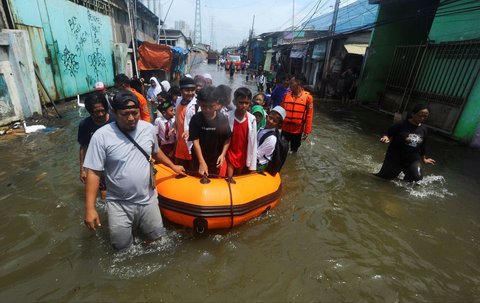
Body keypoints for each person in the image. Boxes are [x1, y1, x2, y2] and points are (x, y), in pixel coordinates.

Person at [83, 90, 185, 250]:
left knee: (157, 243)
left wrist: (173, 166)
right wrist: (90, 209)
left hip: (148, 199)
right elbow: (94, 173)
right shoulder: (101, 136)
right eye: (125, 114)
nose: (131, 118)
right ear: (115, 113)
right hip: (119, 204)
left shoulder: (148, 129)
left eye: (134, 113)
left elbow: (156, 152)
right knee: (121, 249)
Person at [375, 104, 435, 182]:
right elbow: (387, 133)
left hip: (412, 160)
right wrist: (385, 137)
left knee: (417, 179)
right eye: (420, 115)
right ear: (413, 114)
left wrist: (424, 159)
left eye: (425, 116)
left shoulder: (424, 129)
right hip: (395, 158)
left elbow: (423, 146)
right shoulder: (401, 124)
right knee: (383, 179)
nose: (422, 118)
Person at [78, 92, 114, 200]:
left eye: (102, 110)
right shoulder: (85, 125)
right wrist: (82, 170)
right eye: (96, 112)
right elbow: (83, 147)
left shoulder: (115, 120)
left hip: (116, 163)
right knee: (104, 196)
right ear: (90, 111)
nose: (100, 114)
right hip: (99, 165)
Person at [189, 86, 231, 176]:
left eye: (211, 106)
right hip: (198, 157)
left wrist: (223, 154)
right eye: (204, 106)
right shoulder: (196, 119)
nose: (207, 110)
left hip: (215, 158)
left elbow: (227, 139)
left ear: (216, 103)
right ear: (199, 103)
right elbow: (195, 141)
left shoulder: (222, 119)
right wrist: (201, 162)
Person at [226, 87, 257, 178]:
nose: (244, 105)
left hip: (243, 152)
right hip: (230, 151)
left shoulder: (252, 119)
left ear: (250, 103)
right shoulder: (227, 116)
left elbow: (253, 143)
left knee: (239, 175)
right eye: (241, 102)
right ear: (235, 102)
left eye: (246, 103)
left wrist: (253, 165)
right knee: (229, 175)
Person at [281, 75, 314, 153]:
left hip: (297, 131)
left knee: (294, 151)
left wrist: (307, 131)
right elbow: (281, 111)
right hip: (285, 128)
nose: (289, 84)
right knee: (282, 148)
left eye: (292, 83)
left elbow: (309, 115)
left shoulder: (308, 97)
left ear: (298, 83)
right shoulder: (286, 95)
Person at [174, 77, 197, 169]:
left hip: (191, 143)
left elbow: (199, 124)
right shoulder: (178, 101)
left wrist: (190, 131)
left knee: (191, 167)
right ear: (181, 91)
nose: (190, 93)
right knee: (181, 166)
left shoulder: (196, 105)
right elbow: (178, 117)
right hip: (180, 142)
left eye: (192, 90)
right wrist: (174, 125)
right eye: (187, 90)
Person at [256, 106, 286, 172]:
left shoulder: (271, 138)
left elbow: (257, 155)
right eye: (270, 117)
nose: (270, 121)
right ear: (267, 116)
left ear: (278, 125)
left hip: (259, 164)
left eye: (274, 121)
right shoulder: (262, 128)